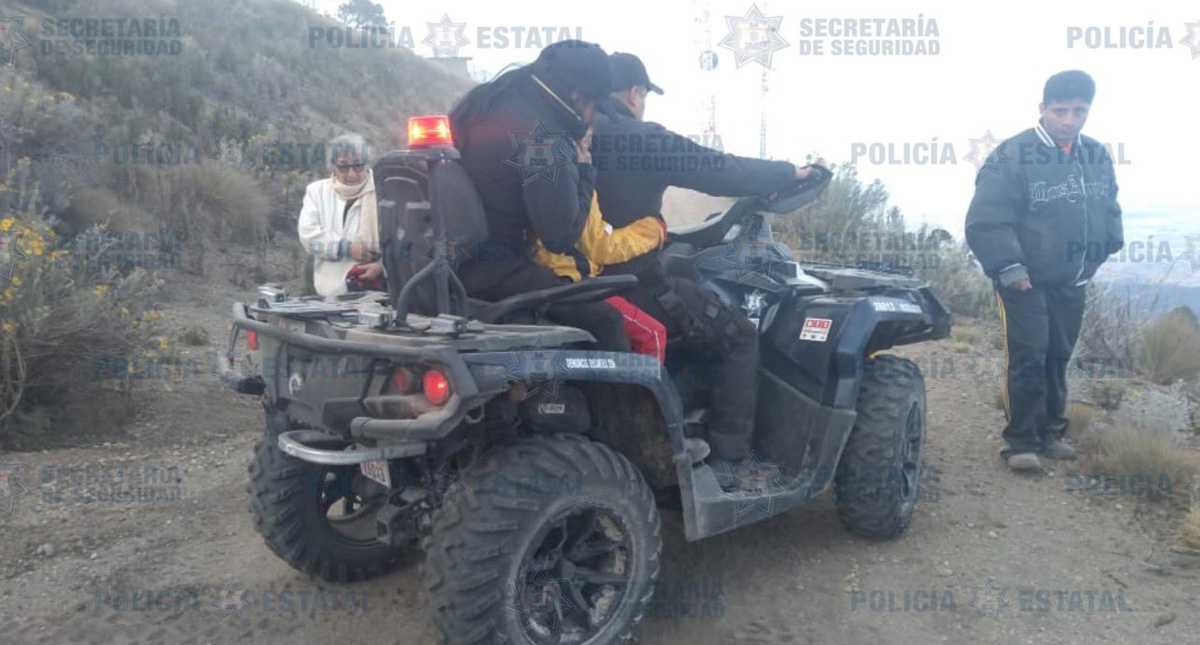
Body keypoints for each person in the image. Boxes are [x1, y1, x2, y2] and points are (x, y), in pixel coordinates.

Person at [589, 52, 811, 485]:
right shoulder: (640, 138)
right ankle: (729, 463)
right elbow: (719, 170)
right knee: (739, 337)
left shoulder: (563, 136)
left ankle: (683, 409)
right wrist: (787, 173)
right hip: (628, 284)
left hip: (562, 283)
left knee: (686, 283)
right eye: (645, 95)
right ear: (636, 94)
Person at [965, 70, 1123, 472]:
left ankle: (1051, 432)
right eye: (1060, 110)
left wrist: (1098, 255)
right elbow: (986, 220)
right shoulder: (1012, 154)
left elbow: (1109, 209)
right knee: (1030, 355)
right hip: (1024, 280)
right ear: (1043, 108)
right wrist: (1010, 267)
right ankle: (1021, 442)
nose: (1069, 119)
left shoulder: (1095, 154)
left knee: (1058, 356)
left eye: (1079, 111)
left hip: (1072, 279)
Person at [449, 40, 631, 352]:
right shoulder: (546, 138)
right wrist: (585, 172)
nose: (591, 118)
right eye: (595, 108)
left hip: (446, 266)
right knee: (608, 322)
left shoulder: (486, 102)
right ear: (577, 97)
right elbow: (559, 236)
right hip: (495, 272)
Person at [532, 127, 669, 361]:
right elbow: (600, 246)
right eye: (583, 144)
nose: (587, 151)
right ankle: (637, 398)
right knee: (653, 334)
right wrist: (653, 231)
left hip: (547, 277)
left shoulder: (545, 172)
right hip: (569, 283)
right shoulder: (572, 181)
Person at [298, 133, 384, 297]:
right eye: (343, 167)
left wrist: (382, 267)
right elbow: (308, 234)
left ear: (367, 164)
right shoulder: (317, 191)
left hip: (375, 292)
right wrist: (347, 249)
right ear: (332, 166)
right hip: (327, 290)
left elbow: (400, 235)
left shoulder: (383, 191)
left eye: (358, 166)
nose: (351, 174)